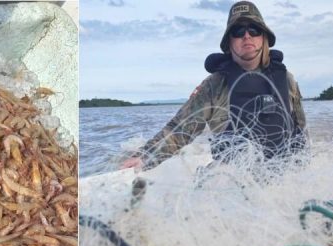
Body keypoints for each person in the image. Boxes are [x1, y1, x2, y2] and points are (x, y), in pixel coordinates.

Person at [121, 1, 307, 170]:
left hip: (281, 176)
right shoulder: (214, 85)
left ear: (264, 37)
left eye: (254, 30)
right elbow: (180, 129)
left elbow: (300, 132)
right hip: (229, 178)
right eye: (238, 32)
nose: (247, 36)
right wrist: (145, 157)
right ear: (229, 42)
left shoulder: (287, 80)